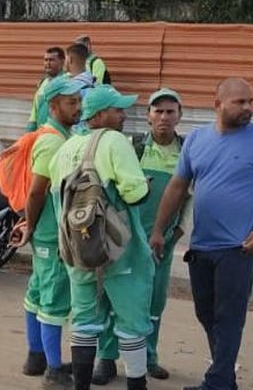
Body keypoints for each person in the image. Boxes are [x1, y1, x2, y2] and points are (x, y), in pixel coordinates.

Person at [151, 77, 253, 390]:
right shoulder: (196, 140)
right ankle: (225, 379)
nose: (248, 108)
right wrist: (158, 230)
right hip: (202, 246)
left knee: (228, 317)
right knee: (206, 313)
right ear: (218, 105)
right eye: (240, 102)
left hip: (240, 247)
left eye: (251, 101)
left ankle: (216, 382)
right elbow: (178, 186)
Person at [49, 85, 153, 390]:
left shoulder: (66, 147)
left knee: (84, 320)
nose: (123, 115)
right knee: (132, 323)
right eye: (117, 109)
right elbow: (136, 194)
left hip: (78, 251)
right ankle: (136, 384)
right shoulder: (114, 141)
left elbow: (57, 200)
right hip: (119, 253)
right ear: (100, 114)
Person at [93, 88, 189, 384]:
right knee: (111, 299)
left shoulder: (187, 151)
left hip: (161, 242)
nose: (163, 117)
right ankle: (105, 359)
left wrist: (177, 232)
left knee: (154, 303)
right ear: (148, 116)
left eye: (170, 111)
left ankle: (149, 358)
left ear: (179, 116)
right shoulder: (132, 148)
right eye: (157, 111)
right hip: (125, 240)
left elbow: (191, 197)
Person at [10, 77, 85, 386]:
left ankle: (36, 357)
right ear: (53, 106)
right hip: (51, 235)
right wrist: (30, 224)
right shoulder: (53, 141)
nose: (78, 108)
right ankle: (53, 371)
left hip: (46, 232)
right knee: (53, 297)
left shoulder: (62, 135)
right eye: (72, 103)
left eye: (79, 102)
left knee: (38, 292)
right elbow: (37, 191)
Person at [26, 47, 66, 132]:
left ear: (62, 61)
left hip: (59, 134)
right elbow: (35, 111)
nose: (48, 63)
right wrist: (29, 131)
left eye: (51, 60)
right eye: (46, 60)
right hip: (41, 133)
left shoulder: (67, 82)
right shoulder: (42, 83)